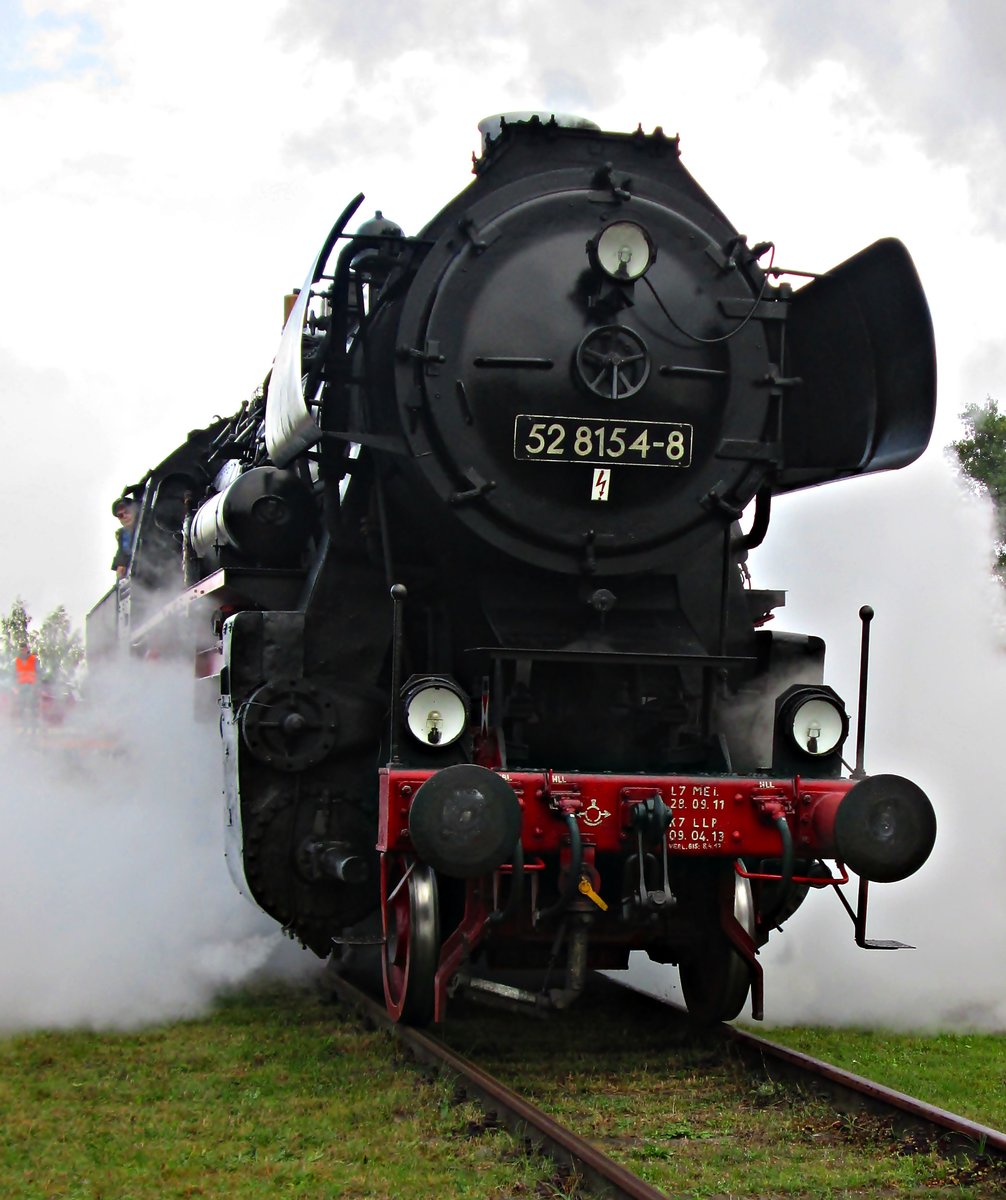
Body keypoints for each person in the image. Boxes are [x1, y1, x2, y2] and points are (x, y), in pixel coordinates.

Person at [111, 496, 138, 579]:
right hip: (135, 577)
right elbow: (121, 559)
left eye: (127, 512)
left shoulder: (148, 523)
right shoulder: (122, 535)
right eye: (120, 515)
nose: (124, 516)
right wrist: (120, 565)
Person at [14, 642, 38, 729]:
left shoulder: (33, 659)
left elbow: (38, 673)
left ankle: (33, 727)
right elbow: (15, 674)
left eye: (24, 649)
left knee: (32, 707)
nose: (23, 651)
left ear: (27, 649)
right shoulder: (17, 660)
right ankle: (24, 727)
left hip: (31, 686)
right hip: (21, 686)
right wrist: (15, 687)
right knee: (22, 707)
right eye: (21, 649)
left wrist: (37, 686)